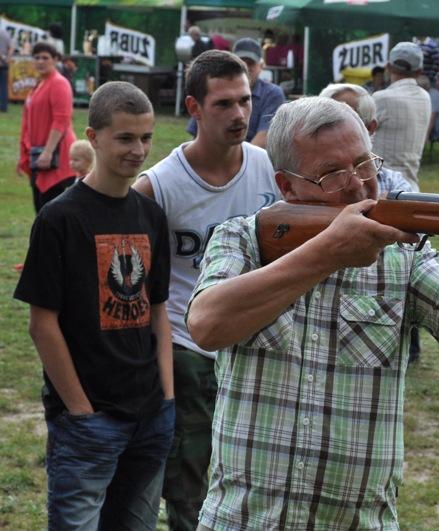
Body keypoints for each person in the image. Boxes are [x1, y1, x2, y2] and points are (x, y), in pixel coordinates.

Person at [186, 97, 439, 529]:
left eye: (366, 165)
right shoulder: (244, 239)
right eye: (332, 174)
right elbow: (206, 324)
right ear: (287, 187)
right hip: (244, 520)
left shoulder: (404, 253)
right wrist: (326, 254)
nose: (360, 185)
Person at [13, 81, 174, 529]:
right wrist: (81, 411)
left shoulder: (151, 215)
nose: (139, 150)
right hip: (88, 421)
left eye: (145, 137)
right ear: (93, 136)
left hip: (150, 413)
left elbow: (157, 308)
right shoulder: (60, 218)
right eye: (125, 138)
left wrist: (168, 397)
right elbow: (42, 324)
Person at [135, 49, 281, 531]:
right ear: (194, 108)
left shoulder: (269, 171)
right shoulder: (158, 187)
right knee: (190, 475)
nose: (240, 114)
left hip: (259, 345)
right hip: (188, 349)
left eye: (245, 101)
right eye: (223, 104)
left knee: (258, 472)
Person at [187, 39, 285, 148]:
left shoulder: (271, 93)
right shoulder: (216, 88)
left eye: (251, 63)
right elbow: (198, 134)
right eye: (241, 63)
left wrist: (240, 160)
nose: (246, 68)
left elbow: (264, 137)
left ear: (261, 65)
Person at [318, 82, 412, 195]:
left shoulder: (394, 184)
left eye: (350, 121)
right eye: (325, 122)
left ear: (370, 127)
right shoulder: (306, 180)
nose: (334, 132)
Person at [16, 42, 76, 213]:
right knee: (41, 211)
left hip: (56, 157)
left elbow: (61, 120)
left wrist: (48, 152)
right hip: (39, 156)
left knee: (50, 214)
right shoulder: (39, 84)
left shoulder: (59, 83)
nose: (40, 61)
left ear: (56, 59)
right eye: (36, 58)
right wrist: (25, 154)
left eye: (45, 57)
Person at [372, 42, 431, 192]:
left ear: (389, 67)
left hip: (382, 188)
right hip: (411, 188)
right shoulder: (425, 97)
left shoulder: (381, 98)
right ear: (419, 71)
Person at [417, 75, 439, 142]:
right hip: (430, 124)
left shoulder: (434, 96)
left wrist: (426, 136)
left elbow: (432, 118)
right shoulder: (424, 95)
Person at [0, 26, 14, 113]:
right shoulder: (5, 33)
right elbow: (12, 47)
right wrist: (7, 57)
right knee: (3, 85)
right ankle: (3, 106)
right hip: (4, 62)